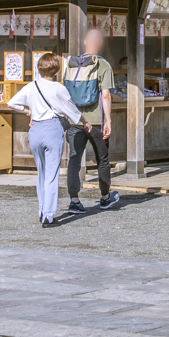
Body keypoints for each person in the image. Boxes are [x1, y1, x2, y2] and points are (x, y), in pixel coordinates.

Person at [8, 51, 84, 226]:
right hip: (52, 128)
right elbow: (72, 111)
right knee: (51, 175)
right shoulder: (59, 88)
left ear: (39, 69)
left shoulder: (31, 86)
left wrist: (29, 111)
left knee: (41, 174)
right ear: (56, 70)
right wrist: (84, 122)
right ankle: (49, 216)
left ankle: (42, 210)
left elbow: (11, 103)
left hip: (35, 130)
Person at [65, 28, 120, 212]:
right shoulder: (102, 65)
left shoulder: (71, 64)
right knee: (102, 160)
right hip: (96, 121)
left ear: (85, 42)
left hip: (74, 120)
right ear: (100, 43)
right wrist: (109, 121)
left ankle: (74, 200)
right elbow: (105, 96)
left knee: (74, 160)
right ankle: (105, 197)